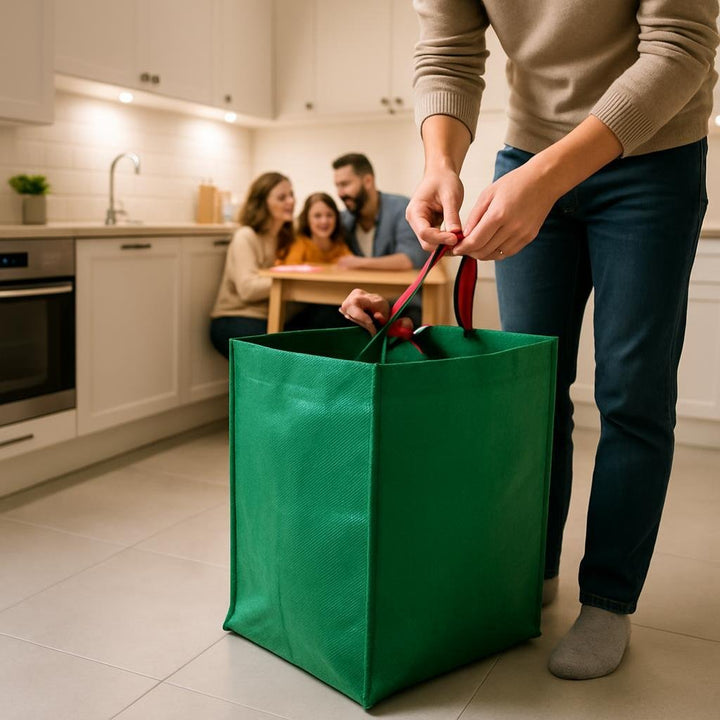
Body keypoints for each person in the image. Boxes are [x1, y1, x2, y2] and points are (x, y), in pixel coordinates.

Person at [341, 0, 718, 681]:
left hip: (653, 156)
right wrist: (439, 163)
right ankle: (530, 571)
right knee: (531, 389)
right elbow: (448, 50)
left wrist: (544, 179)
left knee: (632, 392)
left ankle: (608, 599)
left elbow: (681, 47)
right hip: (526, 152)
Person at [333, 152, 429, 324]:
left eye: (345, 184)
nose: (340, 193)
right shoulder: (344, 219)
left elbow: (409, 260)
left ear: (368, 181)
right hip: (356, 303)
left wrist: (358, 263)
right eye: (337, 186)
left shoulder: (403, 209)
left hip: (403, 304)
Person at [210, 172, 295, 357]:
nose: (290, 201)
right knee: (287, 348)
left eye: (291, 195)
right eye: (282, 197)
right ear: (262, 202)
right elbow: (247, 289)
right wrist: (293, 282)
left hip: (269, 317)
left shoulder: (285, 238)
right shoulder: (246, 236)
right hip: (235, 317)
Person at [277, 192, 352, 265]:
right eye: (317, 216)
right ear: (307, 219)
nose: (324, 221)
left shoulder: (341, 248)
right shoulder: (299, 246)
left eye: (329, 215)